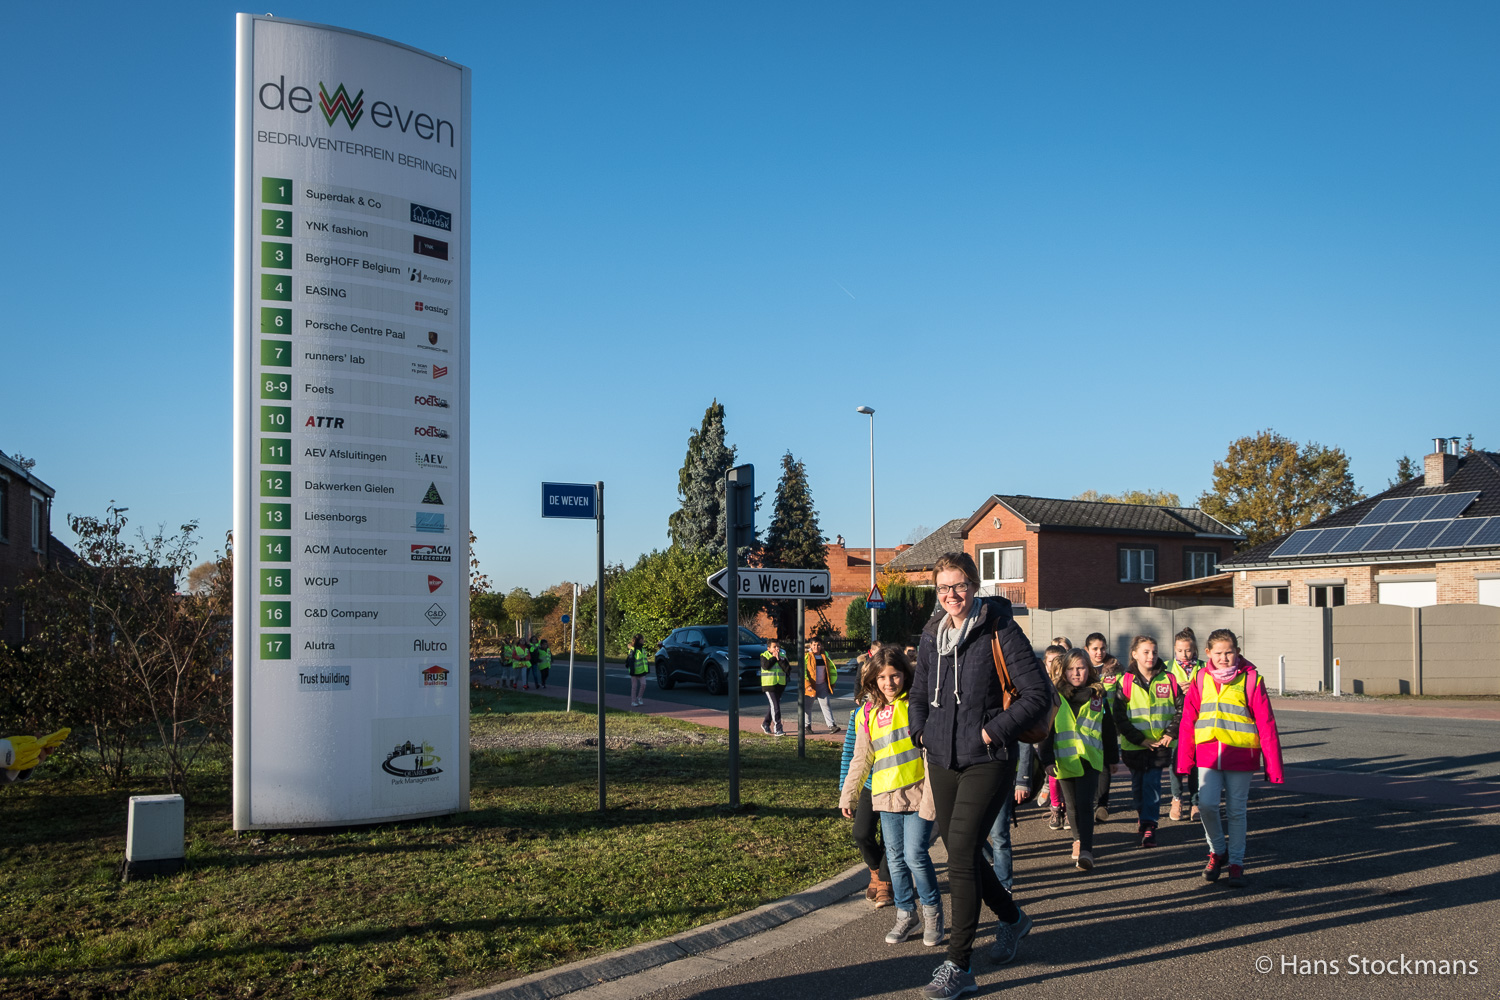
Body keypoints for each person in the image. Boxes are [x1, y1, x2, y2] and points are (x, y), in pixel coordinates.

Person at [910, 553, 1050, 1000]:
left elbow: (1036, 695)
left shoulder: (1000, 628)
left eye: (959, 586)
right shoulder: (934, 632)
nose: (952, 595)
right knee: (962, 852)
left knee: (963, 854)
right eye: (943, 588)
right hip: (943, 757)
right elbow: (918, 691)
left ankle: (959, 964)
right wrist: (921, 732)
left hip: (989, 757)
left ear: (974, 585)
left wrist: (993, 730)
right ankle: (1013, 919)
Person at [841, 645, 944, 948]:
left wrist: (932, 796)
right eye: (882, 677)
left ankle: (933, 913)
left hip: (918, 793)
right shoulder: (868, 712)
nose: (889, 683)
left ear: (905, 675)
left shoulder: (917, 704)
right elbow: (862, 757)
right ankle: (905, 913)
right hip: (885, 796)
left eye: (895, 675)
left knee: (915, 856)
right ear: (872, 679)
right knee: (896, 861)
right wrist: (849, 794)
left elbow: (931, 753)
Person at [1177, 628, 1284, 887]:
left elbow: (1266, 724)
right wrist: (1183, 759)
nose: (1224, 658)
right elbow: (1188, 720)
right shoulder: (1201, 679)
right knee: (1206, 806)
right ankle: (1217, 851)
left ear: (1237, 652)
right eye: (1218, 653)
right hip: (1208, 755)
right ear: (1208, 654)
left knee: (1237, 812)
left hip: (1241, 756)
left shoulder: (1251, 680)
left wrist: (1273, 766)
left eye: (1229, 653)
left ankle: (1236, 862)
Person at [986, 645, 1065, 893]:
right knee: (965, 835)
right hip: (972, 768)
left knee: (999, 834)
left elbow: (1025, 739)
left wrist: (1023, 779)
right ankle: (988, 865)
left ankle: (1004, 887)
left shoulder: (1015, 685)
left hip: (1002, 768)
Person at [1039, 648, 1118, 872]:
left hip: (1090, 759)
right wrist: (1046, 760)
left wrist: (1112, 758)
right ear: (1063, 672)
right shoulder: (1056, 697)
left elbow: (1108, 728)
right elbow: (1047, 731)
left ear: (1089, 670)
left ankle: (1086, 851)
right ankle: (1077, 839)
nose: (1076, 673)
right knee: (1071, 806)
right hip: (1064, 760)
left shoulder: (1098, 696)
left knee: (1085, 804)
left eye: (1081, 668)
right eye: (1071, 669)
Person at [1112, 636, 1180, 848]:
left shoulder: (1169, 679)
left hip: (1160, 745)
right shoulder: (1125, 682)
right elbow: (1119, 717)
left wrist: (1170, 733)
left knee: (1152, 784)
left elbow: (1181, 710)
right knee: (1138, 786)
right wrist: (1140, 739)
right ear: (1134, 654)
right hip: (1135, 745)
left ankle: (1150, 825)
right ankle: (1143, 816)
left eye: (1154, 652)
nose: (1151, 656)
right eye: (1146, 652)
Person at [839, 657, 894, 908]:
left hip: (896, 784)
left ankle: (884, 881)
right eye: (876, 680)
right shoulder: (861, 713)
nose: (882, 684)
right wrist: (846, 792)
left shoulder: (902, 708)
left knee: (892, 840)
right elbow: (851, 752)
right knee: (862, 834)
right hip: (870, 785)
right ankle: (876, 871)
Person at [1165, 628, 1203, 821]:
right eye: (1180, 650)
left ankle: (1195, 802)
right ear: (1174, 649)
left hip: (1199, 722)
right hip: (1176, 722)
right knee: (1176, 762)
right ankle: (1176, 799)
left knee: (1196, 763)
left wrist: (1196, 689)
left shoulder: (1205, 667)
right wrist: (1176, 690)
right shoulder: (1166, 667)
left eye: (1188, 650)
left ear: (1195, 649)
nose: (1184, 655)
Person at [1084, 632, 1120, 823]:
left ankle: (1102, 805)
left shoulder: (1115, 669)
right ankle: (1088, 802)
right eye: (1095, 649)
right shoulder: (1082, 669)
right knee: (1089, 764)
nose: (1100, 652)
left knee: (1105, 765)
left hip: (1108, 722)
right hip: (1087, 724)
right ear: (1087, 650)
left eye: (1103, 648)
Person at [802, 636, 840, 732]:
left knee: (826, 704)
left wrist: (831, 683)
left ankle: (831, 725)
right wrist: (807, 685)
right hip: (811, 685)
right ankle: (807, 726)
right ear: (810, 645)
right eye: (814, 645)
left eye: (818, 645)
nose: (816, 647)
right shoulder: (807, 656)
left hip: (822, 684)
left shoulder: (825, 656)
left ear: (821, 646)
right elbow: (803, 672)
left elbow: (829, 670)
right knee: (808, 706)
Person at [759, 638, 790, 736]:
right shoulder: (764, 656)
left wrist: (780, 660)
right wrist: (774, 658)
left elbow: (788, 669)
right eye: (774, 647)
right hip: (769, 685)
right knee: (775, 706)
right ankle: (778, 728)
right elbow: (766, 666)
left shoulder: (782, 656)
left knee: (773, 706)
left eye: (778, 647)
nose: (777, 649)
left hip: (780, 685)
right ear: (769, 648)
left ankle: (765, 723)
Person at [625, 634, 651, 706]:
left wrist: (646, 669)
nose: (644, 641)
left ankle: (639, 697)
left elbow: (645, 661)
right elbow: (630, 660)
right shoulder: (633, 650)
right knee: (634, 687)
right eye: (643, 639)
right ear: (640, 640)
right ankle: (633, 701)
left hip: (642, 671)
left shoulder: (643, 650)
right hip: (634, 672)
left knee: (643, 684)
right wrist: (632, 670)